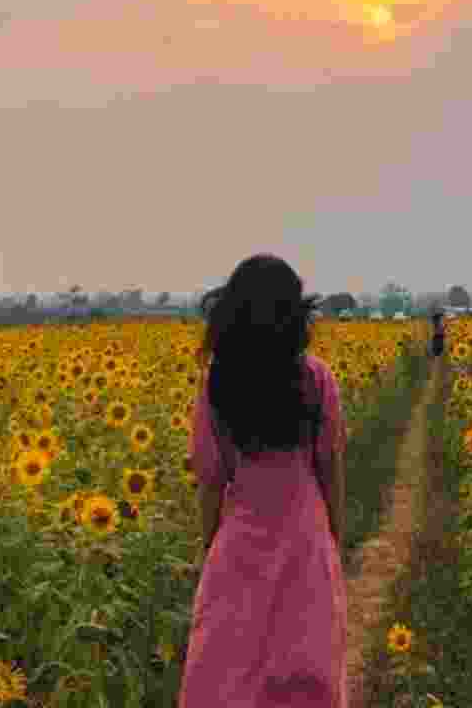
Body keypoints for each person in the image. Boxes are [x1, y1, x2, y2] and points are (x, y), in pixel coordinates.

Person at [180, 254, 347, 708]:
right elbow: (330, 469)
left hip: (240, 536)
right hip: (304, 534)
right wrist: (334, 537)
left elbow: (211, 482)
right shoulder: (317, 379)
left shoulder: (218, 383)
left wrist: (209, 550)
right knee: (306, 662)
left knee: (230, 667)